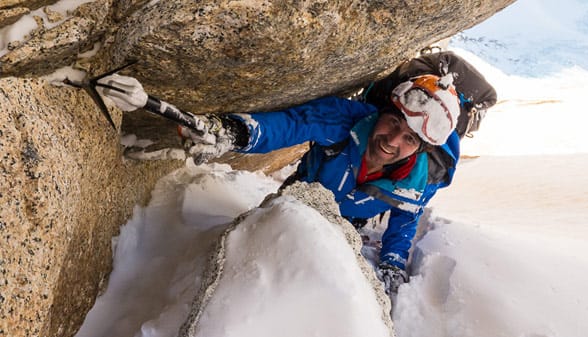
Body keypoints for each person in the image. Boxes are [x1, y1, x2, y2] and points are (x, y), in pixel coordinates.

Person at [99, 70, 462, 295]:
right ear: (381, 112)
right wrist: (233, 131)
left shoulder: (420, 180)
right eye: (393, 124)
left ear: (421, 149)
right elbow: (290, 124)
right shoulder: (347, 121)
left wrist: (393, 262)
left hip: (348, 222)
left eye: (409, 140)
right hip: (300, 200)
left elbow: (404, 220)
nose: (392, 141)